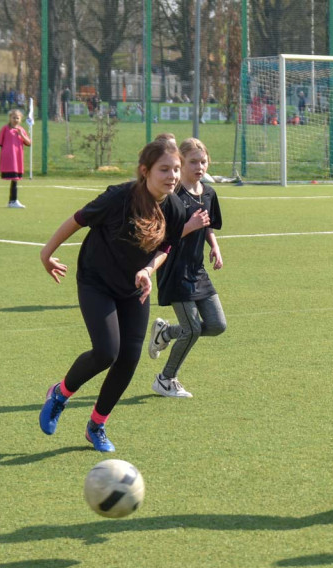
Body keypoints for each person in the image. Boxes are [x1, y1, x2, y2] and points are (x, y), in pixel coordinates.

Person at [38, 135, 210, 452]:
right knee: (106, 352)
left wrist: (148, 270)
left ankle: (96, 426)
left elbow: (166, 247)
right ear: (145, 171)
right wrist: (47, 253)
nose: (172, 176)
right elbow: (77, 220)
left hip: (133, 289)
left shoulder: (174, 207)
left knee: (129, 359)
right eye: (164, 169)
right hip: (96, 280)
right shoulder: (118, 197)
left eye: (176, 169)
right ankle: (61, 393)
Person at [148, 137, 226, 398]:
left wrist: (213, 245)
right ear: (181, 163)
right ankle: (166, 379)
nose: (199, 166)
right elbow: (161, 236)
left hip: (197, 270)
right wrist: (188, 227)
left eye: (203, 161)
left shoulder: (208, 193)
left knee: (216, 325)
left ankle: (166, 332)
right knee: (192, 329)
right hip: (175, 270)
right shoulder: (172, 196)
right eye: (193, 162)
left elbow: (207, 226)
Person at [0, 109, 31, 208]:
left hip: (18, 158)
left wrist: (21, 135)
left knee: (15, 178)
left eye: (17, 118)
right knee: (14, 178)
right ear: (10, 118)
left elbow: (29, 143)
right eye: (14, 117)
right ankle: (13, 201)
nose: (15, 119)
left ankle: (12, 201)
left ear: (21, 119)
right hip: (8, 157)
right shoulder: (5, 129)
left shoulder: (21, 130)